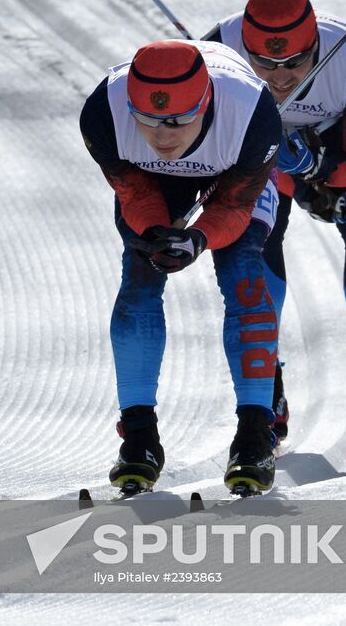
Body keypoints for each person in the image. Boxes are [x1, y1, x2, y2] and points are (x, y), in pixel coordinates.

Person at [80, 39, 283, 494]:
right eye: (147, 119)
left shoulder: (252, 113)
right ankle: (139, 437)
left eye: (176, 121)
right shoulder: (102, 113)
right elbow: (136, 196)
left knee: (242, 273)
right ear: (129, 105)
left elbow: (233, 207)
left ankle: (255, 435)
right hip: (153, 180)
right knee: (139, 280)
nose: (162, 135)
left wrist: (199, 238)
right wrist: (156, 234)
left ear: (207, 102)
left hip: (232, 171)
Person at [204, 0, 346, 453]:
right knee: (255, 239)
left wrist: (323, 174)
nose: (280, 77)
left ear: (316, 47)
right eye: (264, 64)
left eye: (295, 63)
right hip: (255, 153)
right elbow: (216, 152)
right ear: (243, 51)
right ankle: (265, 376)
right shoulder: (215, 57)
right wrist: (293, 176)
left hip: (332, 145)